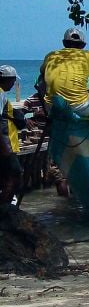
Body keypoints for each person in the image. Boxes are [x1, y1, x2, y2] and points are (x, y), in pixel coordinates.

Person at [1, 65, 24, 204]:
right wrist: (4, 148)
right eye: (13, 81)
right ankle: (5, 209)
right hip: (5, 145)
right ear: (8, 79)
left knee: (6, 178)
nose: (13, 84)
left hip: (7, 144)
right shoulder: (0, 94)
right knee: (14, 176)